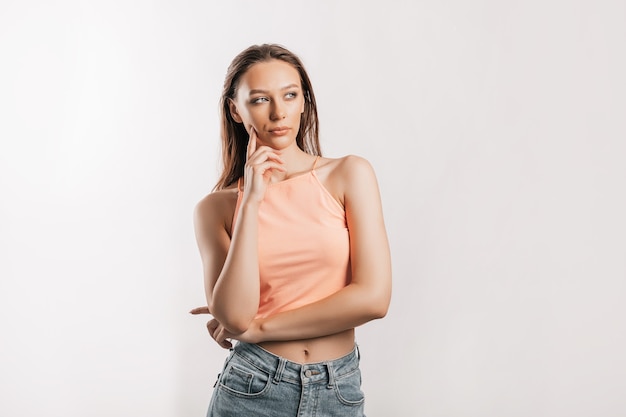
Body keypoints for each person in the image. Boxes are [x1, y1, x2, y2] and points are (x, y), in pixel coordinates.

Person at [190, 43, 391, 417]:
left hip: (339, 388)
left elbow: (373, 298)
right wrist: (250, 201)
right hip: (252, 386)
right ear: (236, 109)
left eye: (290, 95)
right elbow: (235, 317)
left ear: (304, 101)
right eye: (260, 99)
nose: (279, 112)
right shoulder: (216, 209)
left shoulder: (349, 174)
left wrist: (262, 328)